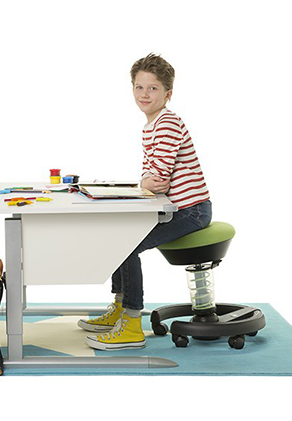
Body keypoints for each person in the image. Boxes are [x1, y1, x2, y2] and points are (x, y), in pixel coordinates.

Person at [79, 53, 213, 350]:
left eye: (153, 88)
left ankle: (130, 323)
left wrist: (146, 181)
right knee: (119, 235)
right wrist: (145, 182)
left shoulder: (167, 123)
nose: (144, 94)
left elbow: (159, 177)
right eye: (139, 87)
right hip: (175, 208)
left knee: (125, 244)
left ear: (168, 93)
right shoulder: (151, 125)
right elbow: (149, 174)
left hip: (191, 211)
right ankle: (119, 307)